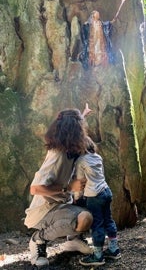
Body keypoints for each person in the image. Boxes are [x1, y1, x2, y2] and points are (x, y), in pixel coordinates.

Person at [24, 105, 93, 267]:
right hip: (44, 212)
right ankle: (38, 240)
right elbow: (35, 189)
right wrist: (68, 188)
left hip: (62, 205)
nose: (84, 130)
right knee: (85, 218)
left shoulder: (69, 147)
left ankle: (73, 241)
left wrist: (83, 115)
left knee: (98, 202)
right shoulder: (57, 155)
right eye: (80, 126)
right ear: (74, 131)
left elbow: (73, 124)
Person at [72, 136, 121, 267]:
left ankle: (98, 256)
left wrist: (77, 198)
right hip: (106, 191)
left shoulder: (80, 161)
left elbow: (80, 182)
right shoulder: (98, 157)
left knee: (97, 225)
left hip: (94, 196)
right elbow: (102, 175)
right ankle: (113, 249)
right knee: (108, 220)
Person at [79, 0, 127, 69]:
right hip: (93, 40)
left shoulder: (100, 22)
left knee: (100, 50)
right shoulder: (90, 24)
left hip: (100, 39)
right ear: (93, 15)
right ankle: (93, 63)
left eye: (98, 14)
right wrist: (85, 26)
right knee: (93, 51)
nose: (98, 15)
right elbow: (85, 29)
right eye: (96, 14)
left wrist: (111, 22)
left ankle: (100, 62)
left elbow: (106, 25)